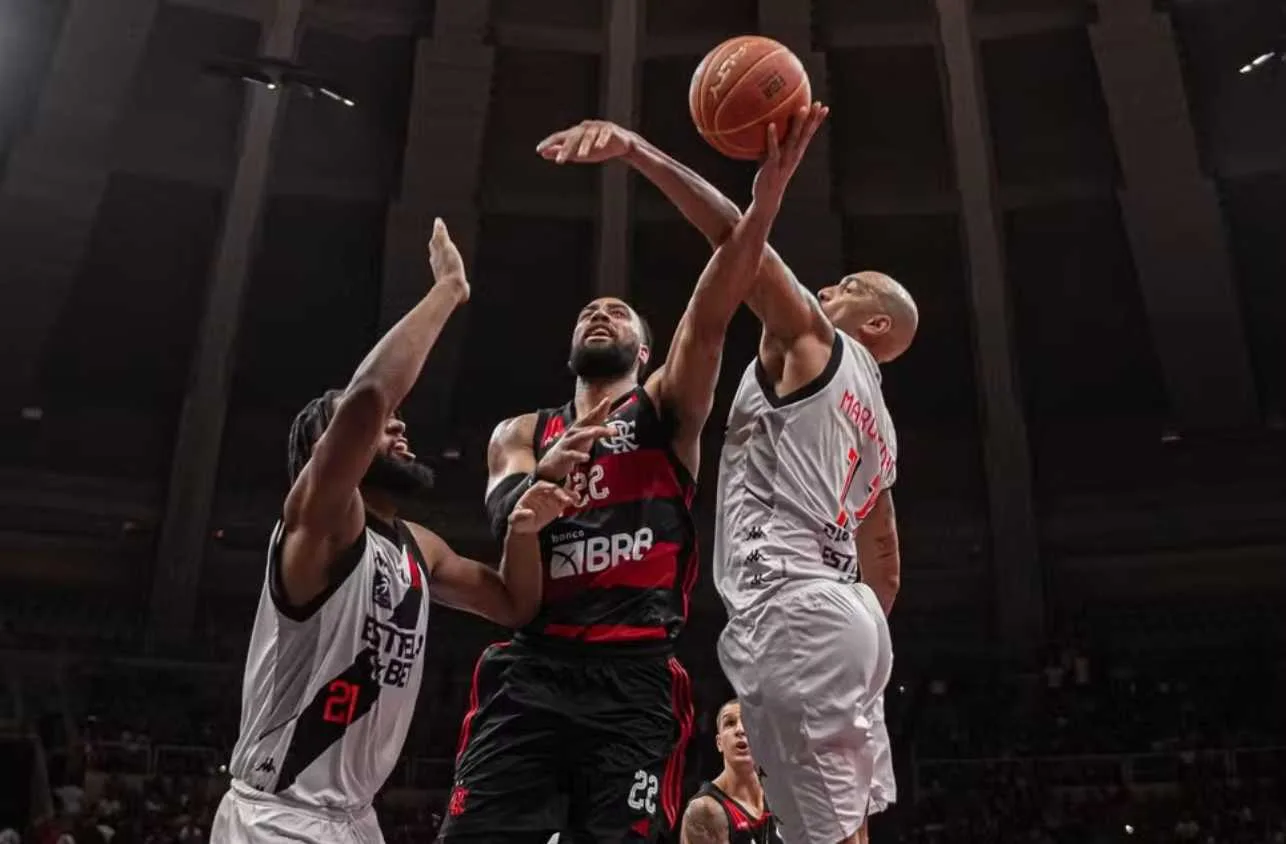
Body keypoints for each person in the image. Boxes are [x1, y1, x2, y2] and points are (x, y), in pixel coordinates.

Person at [437, 105, 829, 844]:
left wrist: (749, 197)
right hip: (534, 669)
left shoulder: (667, 410)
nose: (600, 314)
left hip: (634, 679)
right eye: (589, 312)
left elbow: (719, 296)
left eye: (618, 313)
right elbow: (506, 525)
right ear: (570, 348)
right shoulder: (520, 432)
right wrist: (537, 486)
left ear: (646, 351)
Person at [542, 121, 915, 844]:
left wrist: (638, 152)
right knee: (849, 827)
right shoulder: (881, 428)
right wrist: (850, 631)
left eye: (850, 286)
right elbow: (889, 564)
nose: (829, 285)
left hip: (794, 607)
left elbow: (733, 241)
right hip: (853, 616)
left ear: (875, 323)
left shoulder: (811, 337)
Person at [212, 220, 574, 844]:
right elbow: (370, 396)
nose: (399, 429)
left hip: (356, 818)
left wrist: (522, 527)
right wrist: (447, 291)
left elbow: (517, 605)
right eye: (387, 428)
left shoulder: (416, 546)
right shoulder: (320, 524)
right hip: (278, 813)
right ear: (331, 452)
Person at [680, 699, 779, 844]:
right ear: (719, 743)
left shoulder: (783, 799)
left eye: (748, 722)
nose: (740, 730)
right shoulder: (704, 810)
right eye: (730, 723)